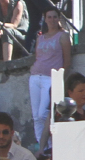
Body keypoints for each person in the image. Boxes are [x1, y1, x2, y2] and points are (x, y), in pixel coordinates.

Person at [30, 9, 72, 149]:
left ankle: (49, 145)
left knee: (44, 114)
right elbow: (38, 56)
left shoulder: (63, 36)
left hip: (51, 77)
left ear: (58, 19)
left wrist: (60, 78)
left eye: (55, 17)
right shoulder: (40, 37)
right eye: (49, 17)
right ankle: (42, 147)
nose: (52, 20)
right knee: (36, 115)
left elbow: (67, 60)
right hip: (35, 76)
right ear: (45, 19)